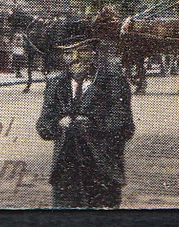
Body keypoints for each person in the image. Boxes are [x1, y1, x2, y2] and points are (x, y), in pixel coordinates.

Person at [35, 23, 135, 209]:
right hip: (65, 174)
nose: (74, 58)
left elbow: (125, 126)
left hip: (102, 171)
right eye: (67, 53)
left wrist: (89, 125)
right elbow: (43, 125)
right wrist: (58, 125)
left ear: (93, 52)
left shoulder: (113, 80)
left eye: (81, 51)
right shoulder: (56, 83)